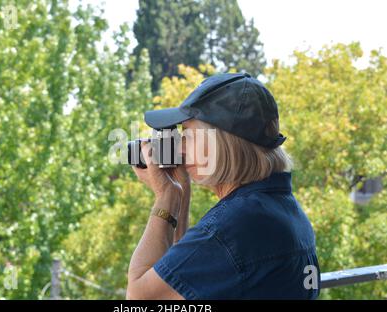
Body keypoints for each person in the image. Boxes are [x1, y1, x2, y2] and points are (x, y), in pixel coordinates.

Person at [126, 73, 320, 299]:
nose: (181, 147)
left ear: (220, 144)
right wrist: (181, 190)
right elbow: (179, 279)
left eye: (188, 135)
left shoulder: (233, 228)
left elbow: (141, 299)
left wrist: (166, 196)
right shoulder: (282, 210)